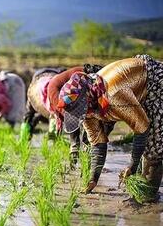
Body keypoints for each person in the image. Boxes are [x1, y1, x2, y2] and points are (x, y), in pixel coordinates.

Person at [58, 55, 163, 200]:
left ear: (88, 99)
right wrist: (93, 179)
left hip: (154, 82)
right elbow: (98, 143)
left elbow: (142, 128)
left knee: (154, 143)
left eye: (82, 110)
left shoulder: (113, 94)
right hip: (131, 90)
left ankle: (149, 194)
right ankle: (140, 181)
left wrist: (131, 166)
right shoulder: (87, 108)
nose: (84, 115)